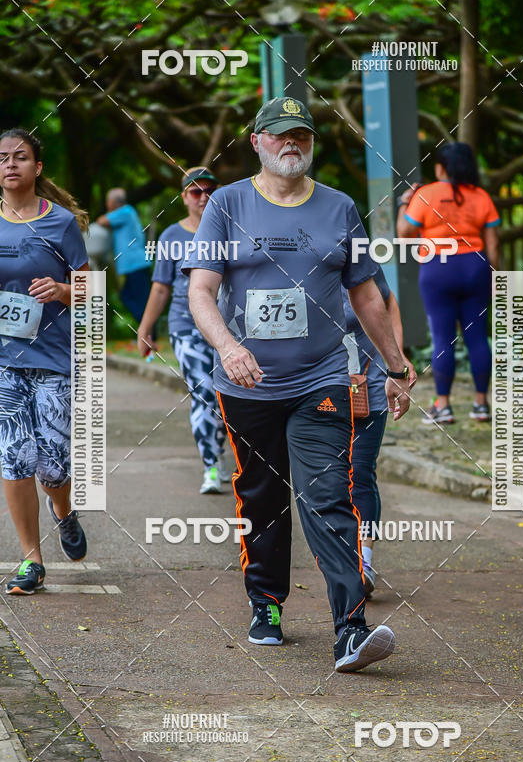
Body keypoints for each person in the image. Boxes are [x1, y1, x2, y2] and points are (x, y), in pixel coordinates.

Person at [183, 97, 411, 673]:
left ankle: (350, 630)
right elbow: (201, 291)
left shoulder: (340, 208)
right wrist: (229, 347)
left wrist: (396, 367)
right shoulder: (227, 205)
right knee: (262, 495)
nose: (293, 145)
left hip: (323, 377)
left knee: (327, 493)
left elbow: (365, 293)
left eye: (302, 136)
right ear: (257, 141)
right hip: (248, 383)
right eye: (281, 136)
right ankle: (266, 604)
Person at [0, 128, 89, 595]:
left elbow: (89, 290)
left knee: (53, 464)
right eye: (2, 158)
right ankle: (31, 559)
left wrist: (60, 291)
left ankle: (63, 509)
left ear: (37, 168)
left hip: (53, 358)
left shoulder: (61, 224)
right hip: (4, 361)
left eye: (20, 157)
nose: (10, 164)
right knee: (15, 457)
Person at [137, 167, 228, 494]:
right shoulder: (171, 237)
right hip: (185, 326)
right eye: (195, 191)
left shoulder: (231, 229)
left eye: (210, 191)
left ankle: (230, 457)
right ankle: (211, 466)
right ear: (184, 196)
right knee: (204, 393)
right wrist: (145, 328)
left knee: (228, 398)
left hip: (229, 328)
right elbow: (161, 287)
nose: (203, 197)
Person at [396, 142, 500, 424]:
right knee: (477, 337)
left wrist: (404, 201)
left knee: (443, 338)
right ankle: (481, 405)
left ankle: (443, 406)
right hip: (475, 267)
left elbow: (404, 233)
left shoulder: (425, 194)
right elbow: (493, 246)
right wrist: (494, 277)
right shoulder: (481, 197)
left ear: (441, 168)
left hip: (438, 268)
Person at [342, 268, 417, 597]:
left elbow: (389, 304)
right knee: (327, 477)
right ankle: (338, 558)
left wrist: (395, 363)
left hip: (367, 387)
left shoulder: (357, 256)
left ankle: (364, 561)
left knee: (360, 471)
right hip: (316, 389)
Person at [98, 188, 149, 323]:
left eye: (108, 201)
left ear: (113, 202)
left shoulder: (125, 212)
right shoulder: (127, 213)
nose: (107, 204)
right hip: (134, 263)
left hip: (135, 263)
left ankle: (149, 332)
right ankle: (147, 330)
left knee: (137, 299)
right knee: (128, 296)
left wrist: (109, 213)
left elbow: (101, 221)